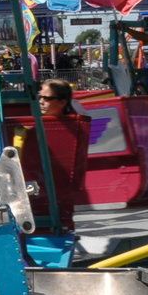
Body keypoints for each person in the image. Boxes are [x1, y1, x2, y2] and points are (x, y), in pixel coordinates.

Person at [34, 79, 90, 230]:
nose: (41, 101)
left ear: (62, 102)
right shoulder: (34, 123)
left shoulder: (73, 125)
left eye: (47, 98)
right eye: (39, 97)